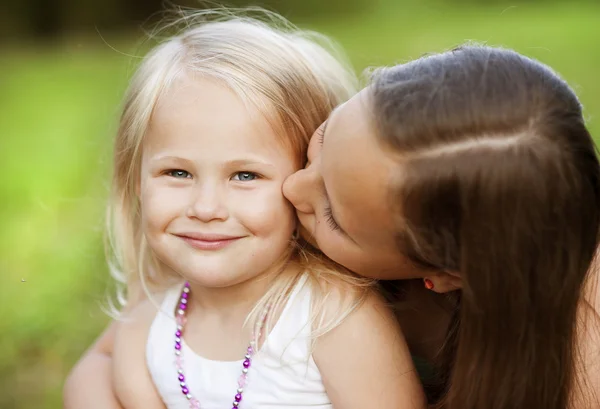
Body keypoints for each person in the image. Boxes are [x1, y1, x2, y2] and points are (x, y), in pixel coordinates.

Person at [64, 11, 426, 409]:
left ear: (307, 183)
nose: (206, 208)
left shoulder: (329, 317)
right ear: (137, 182)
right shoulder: (152, 319)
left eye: (245, 176)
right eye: (178, 172)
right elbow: (93, 371)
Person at [282, 44, 600, 409]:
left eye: (334, 218)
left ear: (447, 274)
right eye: (324, 139)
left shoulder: (580, 374)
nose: (291, 186)